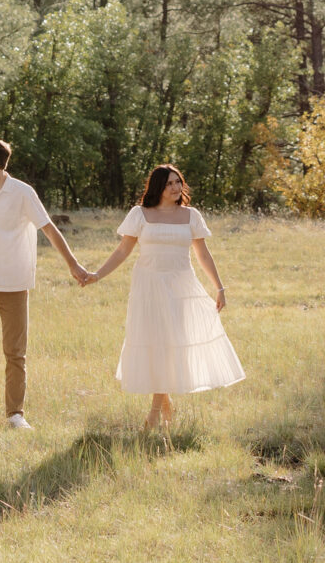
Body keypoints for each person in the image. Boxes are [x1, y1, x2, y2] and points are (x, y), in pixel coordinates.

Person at [83, 163, 242, 431]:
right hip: (148, 285)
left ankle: (154, 415)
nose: (176, 187)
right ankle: (165, 402)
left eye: (178, 182)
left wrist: (219, 287)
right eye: (169, 183)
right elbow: (123, 251)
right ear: (158, 186)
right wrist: (97, 275)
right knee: (155, 344)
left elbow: (202, 254)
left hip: (180, 285)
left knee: (169, 344)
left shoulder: (191, 216)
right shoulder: (141, 214)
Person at [0, 135, 89, 431]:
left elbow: (50, 230)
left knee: (15, 353)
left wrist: (73, 264)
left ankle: (15, 414)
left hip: (12, 284)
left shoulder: (22, 193)